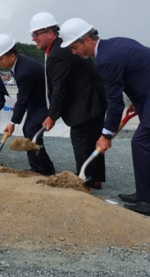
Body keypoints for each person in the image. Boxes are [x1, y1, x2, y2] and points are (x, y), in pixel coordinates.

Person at [61, 18, 150, 217]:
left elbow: (114, 102)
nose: (74, 52)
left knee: (143, 143)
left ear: (87, 40)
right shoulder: (114, 45)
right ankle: (146, 193)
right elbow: (141, 72)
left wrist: (106, 135)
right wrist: (138, 99)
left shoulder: (106, 59)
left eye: (74, 47)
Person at [29, 12, 106, 189]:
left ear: (50, 33)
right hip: (92, 98)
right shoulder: (57, 49)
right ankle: (95, 178)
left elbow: (59, 88)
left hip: (86, 102)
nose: (34, 39)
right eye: (33, 35)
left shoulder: (57, 53)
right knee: (92, 138)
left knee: (81, 138)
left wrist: (52, 116)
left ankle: (84, 181)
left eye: (36, 34)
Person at [0, 34, 55, 175]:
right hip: (37, 100)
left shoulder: (24, 69)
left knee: (31, 131)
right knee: (30, 130)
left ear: (11, 56)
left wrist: (13, 122)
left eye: (0, 58)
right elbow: (24, 94)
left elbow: (23, 97)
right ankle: (44, 168)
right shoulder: (19, 64)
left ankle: (42, 169)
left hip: (46, 102)